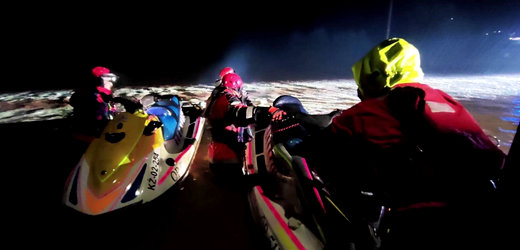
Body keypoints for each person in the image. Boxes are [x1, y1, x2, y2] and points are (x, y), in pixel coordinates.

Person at [294, 38, 506, 249]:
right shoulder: (441, 99)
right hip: (488, 211)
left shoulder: (374, 109)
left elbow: (312, 149)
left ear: (374, 75)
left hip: (424, 225)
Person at [204, 72, 286, 180]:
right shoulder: (228, 98)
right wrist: (268, 111)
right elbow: (241, 112)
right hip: (227, 160)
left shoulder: (219, 95)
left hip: (220, 153)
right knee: (258, 182)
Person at [69, 66, 141, 135]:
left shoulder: (101, 97)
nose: (111, 83)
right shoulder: (93, 98)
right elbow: (100, 122)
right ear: (99, 81)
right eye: (108, 80)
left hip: (98, 133)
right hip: (94, 138)